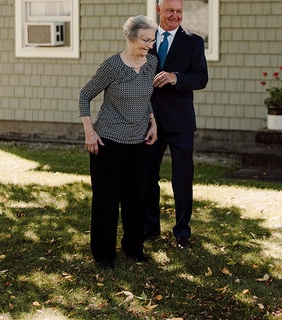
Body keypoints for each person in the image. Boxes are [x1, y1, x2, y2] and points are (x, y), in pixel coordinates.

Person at [79, 16, 158, 269]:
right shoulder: (112, 66)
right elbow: (84, 95)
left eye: (152, 40)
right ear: (130, 37)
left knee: (136, 198)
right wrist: (89, 131)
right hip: (108, 141)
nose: (150, 44)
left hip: (138, 142)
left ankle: (133, 247)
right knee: (106, 199)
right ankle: (103, 254)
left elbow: (145, 96)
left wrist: (153, 121)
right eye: (145, 40)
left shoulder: (151, 63)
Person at [144, 0, 209, 249]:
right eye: (170, 10)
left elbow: (201, 77)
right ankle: (149, 228)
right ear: (158, 10)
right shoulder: (146, 39)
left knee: (182, 179)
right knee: (148, 176)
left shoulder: (193, 41)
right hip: (148, 121)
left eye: (179, 11)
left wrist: (176, 77)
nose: (175, 15)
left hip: (180, 122)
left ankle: (182, 232)